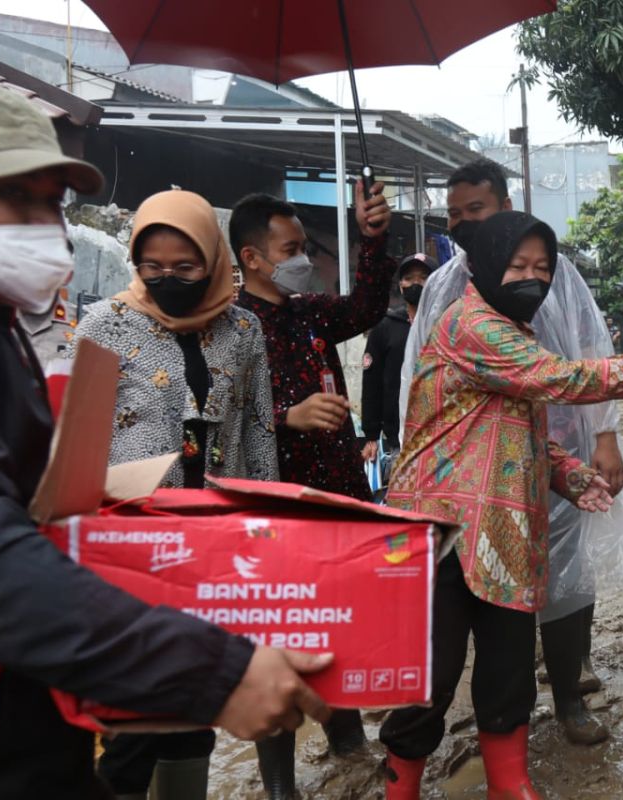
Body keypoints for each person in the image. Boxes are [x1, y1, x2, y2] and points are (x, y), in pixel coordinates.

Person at [0, 81, 331, 799]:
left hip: (35, 692)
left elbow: (255, 427)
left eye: (51, 202)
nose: (41, 224)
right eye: (13, 195)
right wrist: (209, 668)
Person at [380, 211, 623, 799]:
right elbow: (565, 380)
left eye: (543, 268)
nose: (533, 279)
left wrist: (568, 474)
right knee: (432, 676)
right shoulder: (471, 325)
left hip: (509, 526)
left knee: (508, 666)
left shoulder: (514, 332)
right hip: (438, 529)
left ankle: (510, 783)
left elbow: (516, 427)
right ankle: (400, 789)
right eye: (517, 266)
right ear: (487, 267)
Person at [401, 159, 623, 745]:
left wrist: (602, 440)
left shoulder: (556, 272)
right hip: (470, 478)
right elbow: (415, 378)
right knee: (492, 601)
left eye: (474, 211)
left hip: (552, 453)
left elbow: (590, 345)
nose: (462, 223)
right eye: (453, 215)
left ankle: (569, 693)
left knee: (565, 581)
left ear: (504, 206)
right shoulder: (448, 292)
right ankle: (487, 717)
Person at [70, 188, 284, 798]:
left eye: (185, 268)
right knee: (133, 707)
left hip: (217, 539)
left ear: (214, 262)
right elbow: (79, 443)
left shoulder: (244, 330)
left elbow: (259, 430)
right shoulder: (104, 325)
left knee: (195, 697)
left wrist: (266, 528)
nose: (168, 279)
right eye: (152, 268)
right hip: (133, 542)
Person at [230, 189, 394, 773]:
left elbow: (371, 304)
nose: (302, 258)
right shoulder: (227, 327)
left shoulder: (310, 312)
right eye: (291, 248)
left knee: (337, 624)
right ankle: (278, 780)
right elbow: (214, 419)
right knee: (276, 631)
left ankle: (348, 741)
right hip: (278, 508)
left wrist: (372, 238)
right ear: (253, 257)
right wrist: (286, 416)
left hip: (340, 494)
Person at [361, 252, 436, 461]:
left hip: (440, 432)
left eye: (423, 277)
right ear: (400, 284)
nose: (416, 283)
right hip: (399, 437)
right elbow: (372, 383)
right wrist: (371, 436)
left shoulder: (446, 324)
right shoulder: (386, 327)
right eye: (409, 278)